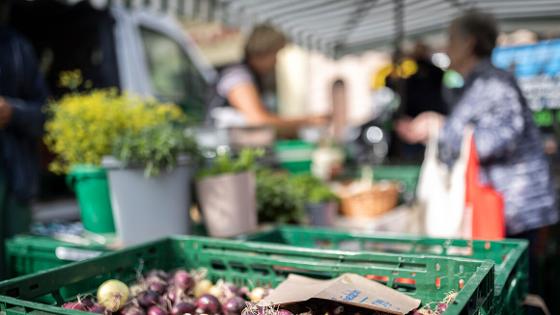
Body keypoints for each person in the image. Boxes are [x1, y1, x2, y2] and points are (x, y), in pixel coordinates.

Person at [397, 9, 558, 301]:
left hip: (515, 209)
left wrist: (443, 128)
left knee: (521, 293)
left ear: (469, 43)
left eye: (450, 38)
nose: (445, 47)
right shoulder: (475, 82)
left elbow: (499, 139)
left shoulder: (492, 83)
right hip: (502, 208)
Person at [0, 0, 48, 279]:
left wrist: (13, 112)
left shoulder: (16, 48)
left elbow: (46, 114)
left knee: (17, 276)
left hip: (16, 180)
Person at [215, 24, 327, 130]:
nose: (276, 62)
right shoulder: (237, 76)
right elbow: (258, 122)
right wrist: (308, 122)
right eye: (275, 54)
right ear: (264, 51)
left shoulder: (252, 76)